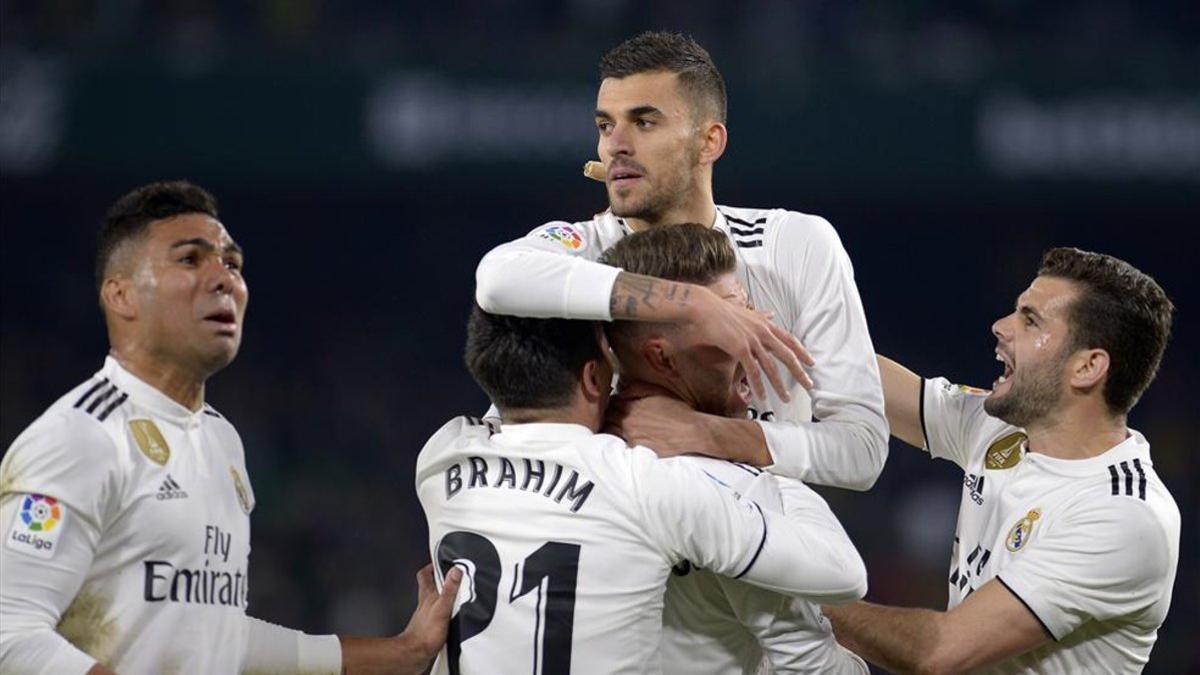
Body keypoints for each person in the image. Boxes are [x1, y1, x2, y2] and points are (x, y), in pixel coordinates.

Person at [0, 181, 462, 675]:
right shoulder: (79, 438)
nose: (223, 278)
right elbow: (11, 634)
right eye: (190, 260)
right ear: (121, 295)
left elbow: (217, 636)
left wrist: (404, 653)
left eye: (232, 263)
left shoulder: (221, 440)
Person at [475, 31, 888, 490]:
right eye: (605, 126)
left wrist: (710, 435)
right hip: (616, 556)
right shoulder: (583, 251)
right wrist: (692, 304)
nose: (615, 146)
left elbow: (862, 450)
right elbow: (495, 279)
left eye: (644, 122)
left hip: (760, 550)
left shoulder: (795, 245)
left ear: (709, 141)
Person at [415, 305, 867, 674]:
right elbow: (843, 573)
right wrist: (750, 465)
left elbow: (510, 365)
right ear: (595, 378)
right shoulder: (649, 484)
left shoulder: (442, 456)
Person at [823, 247, 1180, 673]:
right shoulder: (1005, 430)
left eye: (1030, 320)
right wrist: (762, 325)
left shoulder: (1124, 515)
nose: (1000, 327)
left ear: (1087, 367)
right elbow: (857, 379)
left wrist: (795, 600)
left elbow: (938, 653)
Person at [599, 224, 868, 674]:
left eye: (750, 310)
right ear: (662, 357)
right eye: (733, 322)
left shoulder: (573, 451)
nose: (761, 331)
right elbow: (812, 663)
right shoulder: (736, 496)